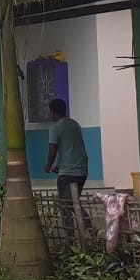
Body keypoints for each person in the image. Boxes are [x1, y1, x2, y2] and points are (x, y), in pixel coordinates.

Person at [44, 98, 91, 244]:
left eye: (50, 112)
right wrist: (59, 165)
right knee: (73, 202)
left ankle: (71, 239)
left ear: (53, 112)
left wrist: (48, 165)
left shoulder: (55, 128)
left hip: (68, 173)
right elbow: (71, 147)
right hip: (82, 170)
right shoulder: (74, 124)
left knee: (66, 205)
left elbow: (53, 151)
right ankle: (88, 230)